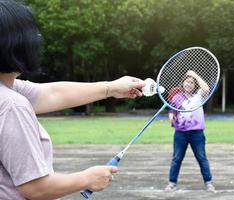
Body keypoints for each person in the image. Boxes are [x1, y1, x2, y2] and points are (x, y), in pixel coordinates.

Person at [0, 1, 145, 200]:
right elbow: (35, 188)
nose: (37, 39)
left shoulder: (7, 90)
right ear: (13, 43)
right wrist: (86, 178)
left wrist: (111, 87)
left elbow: (52, 93)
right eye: (31, 33)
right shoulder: (11, 104)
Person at [165, 70, 215, 192]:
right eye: (187, 82)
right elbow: (171, 112)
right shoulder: (177, 97)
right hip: (180, 133)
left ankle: (208, 183)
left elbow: (206, 89)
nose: (189, 84)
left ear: (195, 85)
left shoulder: (198, 96)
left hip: (196, 133)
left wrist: (195, 75)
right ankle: (172, 183)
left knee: (202, 158)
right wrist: (171, 118)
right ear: (182, 83)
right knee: (177, 158)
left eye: (192, 82)